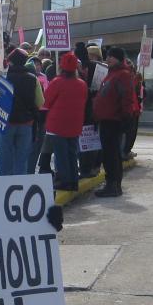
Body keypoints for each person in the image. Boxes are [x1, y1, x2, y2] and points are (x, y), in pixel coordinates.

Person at [92, 46, 137, 197]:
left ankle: (113, 185)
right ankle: (113, 184)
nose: (109, 58)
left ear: (119, 58)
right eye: (108, 56)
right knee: (110, 154)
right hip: (106, 119)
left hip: (113, 119)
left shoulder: (122, 74)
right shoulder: (111, 73)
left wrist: (126, 117)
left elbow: (127, 97)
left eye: (113, 56)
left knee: (111, 154)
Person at [42, 52, 88, 192]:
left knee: (61, 154)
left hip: (58, 124)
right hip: (75, 124)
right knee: (72, 153)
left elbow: (47, 101)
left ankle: (64, 181)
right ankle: (74, 181)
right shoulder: (82, 84)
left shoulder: (57, 82)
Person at [0, 48, 44, 176]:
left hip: (5, 122)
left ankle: (3, 189)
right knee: (22, 161)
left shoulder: (2, 78)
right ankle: (20, 191)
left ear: (10, 62)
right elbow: (40, 102)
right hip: (26, 123)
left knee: (4, 161)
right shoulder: (33, 78)